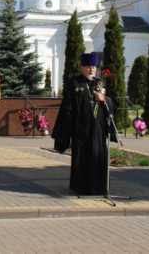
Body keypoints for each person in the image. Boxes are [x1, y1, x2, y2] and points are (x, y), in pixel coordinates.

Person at [52, 53, 117, 196]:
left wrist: (103, 99)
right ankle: (80, 187)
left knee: (97, 155)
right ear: (82, 68)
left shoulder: (100, 83)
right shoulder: (75, 83)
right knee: (81, 158)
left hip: (98, 129)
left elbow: (111, 103)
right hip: (81, 128)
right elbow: (67, 106)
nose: (91, 69)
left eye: (93, 67)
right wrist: (66, 129)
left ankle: (98, 187)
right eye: (88, 67)